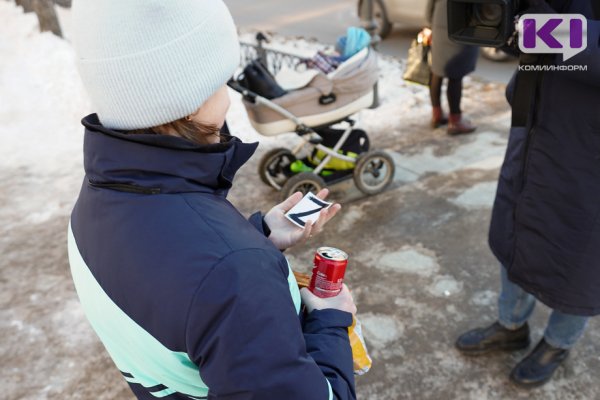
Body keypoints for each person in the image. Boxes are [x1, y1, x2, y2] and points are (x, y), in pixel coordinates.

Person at [67, 1, 357, 399]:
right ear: (184, 99)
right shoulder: (232, 275)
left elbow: (169, 277)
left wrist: (257, 236)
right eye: (220, 82)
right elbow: (212, 282)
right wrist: (329, 321)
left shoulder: (96, 203)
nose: (228, 98)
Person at [455, 0, 600, 388]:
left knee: (581, 257)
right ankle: (511, 324)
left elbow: (567, 38)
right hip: (535, 129)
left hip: (588, 150)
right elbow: (521, 35)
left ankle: (558, 342)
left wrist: (546, 29)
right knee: (515, 230)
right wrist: (509, 23)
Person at [425, 0, 478, 135]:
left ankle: (436, 115)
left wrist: (430, 24)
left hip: (440, 20)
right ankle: (455, 121)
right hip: (461, 23)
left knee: (437, 70)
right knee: (455, 74)